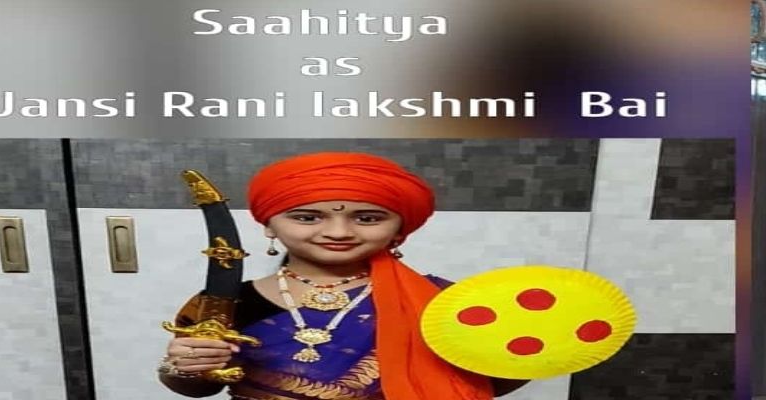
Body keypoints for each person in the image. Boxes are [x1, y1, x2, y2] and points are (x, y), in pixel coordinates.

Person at [159, 152, 528, 400]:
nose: (338, 232)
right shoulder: (223, 305)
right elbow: (197, 387)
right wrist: (185, 367)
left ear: (399, 228)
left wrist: (526, 346)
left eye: (367, 218)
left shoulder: (441, 301)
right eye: (307, 217)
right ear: (269, 224)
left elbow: (492, 381)